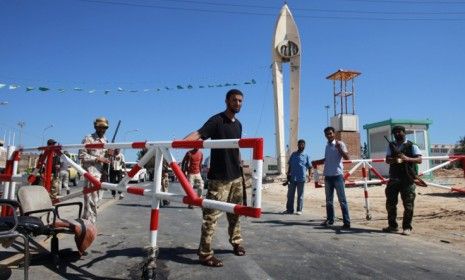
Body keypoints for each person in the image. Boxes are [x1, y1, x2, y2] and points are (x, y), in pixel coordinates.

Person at [184, 89, 245, 268]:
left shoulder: (239, 124)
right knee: (211, 217)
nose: (238, 103)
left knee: (235, 214)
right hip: (219, 179)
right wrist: (180, 143)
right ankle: (205, 253)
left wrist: (240, 163)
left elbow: (236, 147)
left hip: (236, 177)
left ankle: (236, 242)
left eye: (241, 101)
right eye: (234, 100)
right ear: (226, 101)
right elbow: (199, 133)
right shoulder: (217, 120)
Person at [382, 125, 422, 236]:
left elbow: (419, 159)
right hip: (394, 177)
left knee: (408, 205)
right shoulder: (391, 145)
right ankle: (392, 226)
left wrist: (407, 158)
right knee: (390, 203)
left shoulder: (412, 145)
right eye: (395, 133)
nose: (397, 134)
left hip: (407, 178)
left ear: (404, 133)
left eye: (399, 132)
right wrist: (395, 159)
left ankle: (407, 227)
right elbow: (387, 160)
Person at [313, 126, 351, 229]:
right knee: (329, 201)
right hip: (328, 177)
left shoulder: (340, 144)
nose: (329, 135)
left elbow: (347, 158)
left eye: (330, 133)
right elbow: (327, 159)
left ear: (334, 133)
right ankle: (330, 220)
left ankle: (347, 222)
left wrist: (339, 149)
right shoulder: (327, 146)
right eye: (327, 134)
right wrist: (317, 162)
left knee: (342, 200)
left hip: (337, 176)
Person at [79, 117, 110, 224]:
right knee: (91, 200)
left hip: (101, 173)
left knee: (96, 200)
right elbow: (82, 155)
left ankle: (86, 221)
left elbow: (106, 158)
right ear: (95, 127)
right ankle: (90, 224)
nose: (102, 129)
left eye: (104, 127)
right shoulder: (89, 138)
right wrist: (97, 158)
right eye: (100, 127)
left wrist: (110, 155)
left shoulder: (105, 140)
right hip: (91, 172)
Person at [283, 139, 312, 215]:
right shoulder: (293, 154)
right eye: (300, 144)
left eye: (303, 144)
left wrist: (310, 176)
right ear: (297, 145)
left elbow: (310, 167)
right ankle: (289, 209)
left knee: (300, 195)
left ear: (304, 146)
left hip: (301, 178)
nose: (301, 146)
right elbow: (290, 165)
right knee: (290, 195)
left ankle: (299, 210)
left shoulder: (306, 156)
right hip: (292, 178)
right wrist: (288, 174)